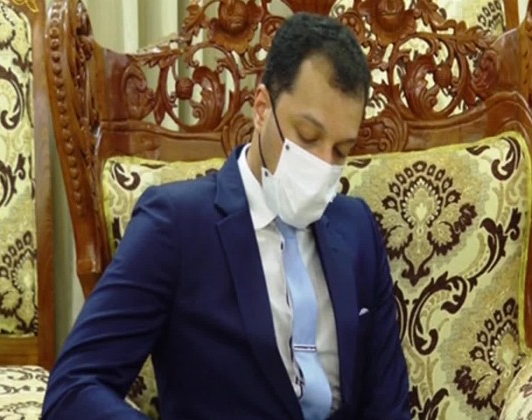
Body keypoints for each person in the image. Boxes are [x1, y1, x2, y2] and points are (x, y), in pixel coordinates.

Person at [42, 13, 411, 420]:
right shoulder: (175, 225)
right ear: (262, 109)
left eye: (341, 150)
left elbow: (389, 405)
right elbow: (73, 390)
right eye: (308, 138)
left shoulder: (357, 228)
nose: (323, 163)